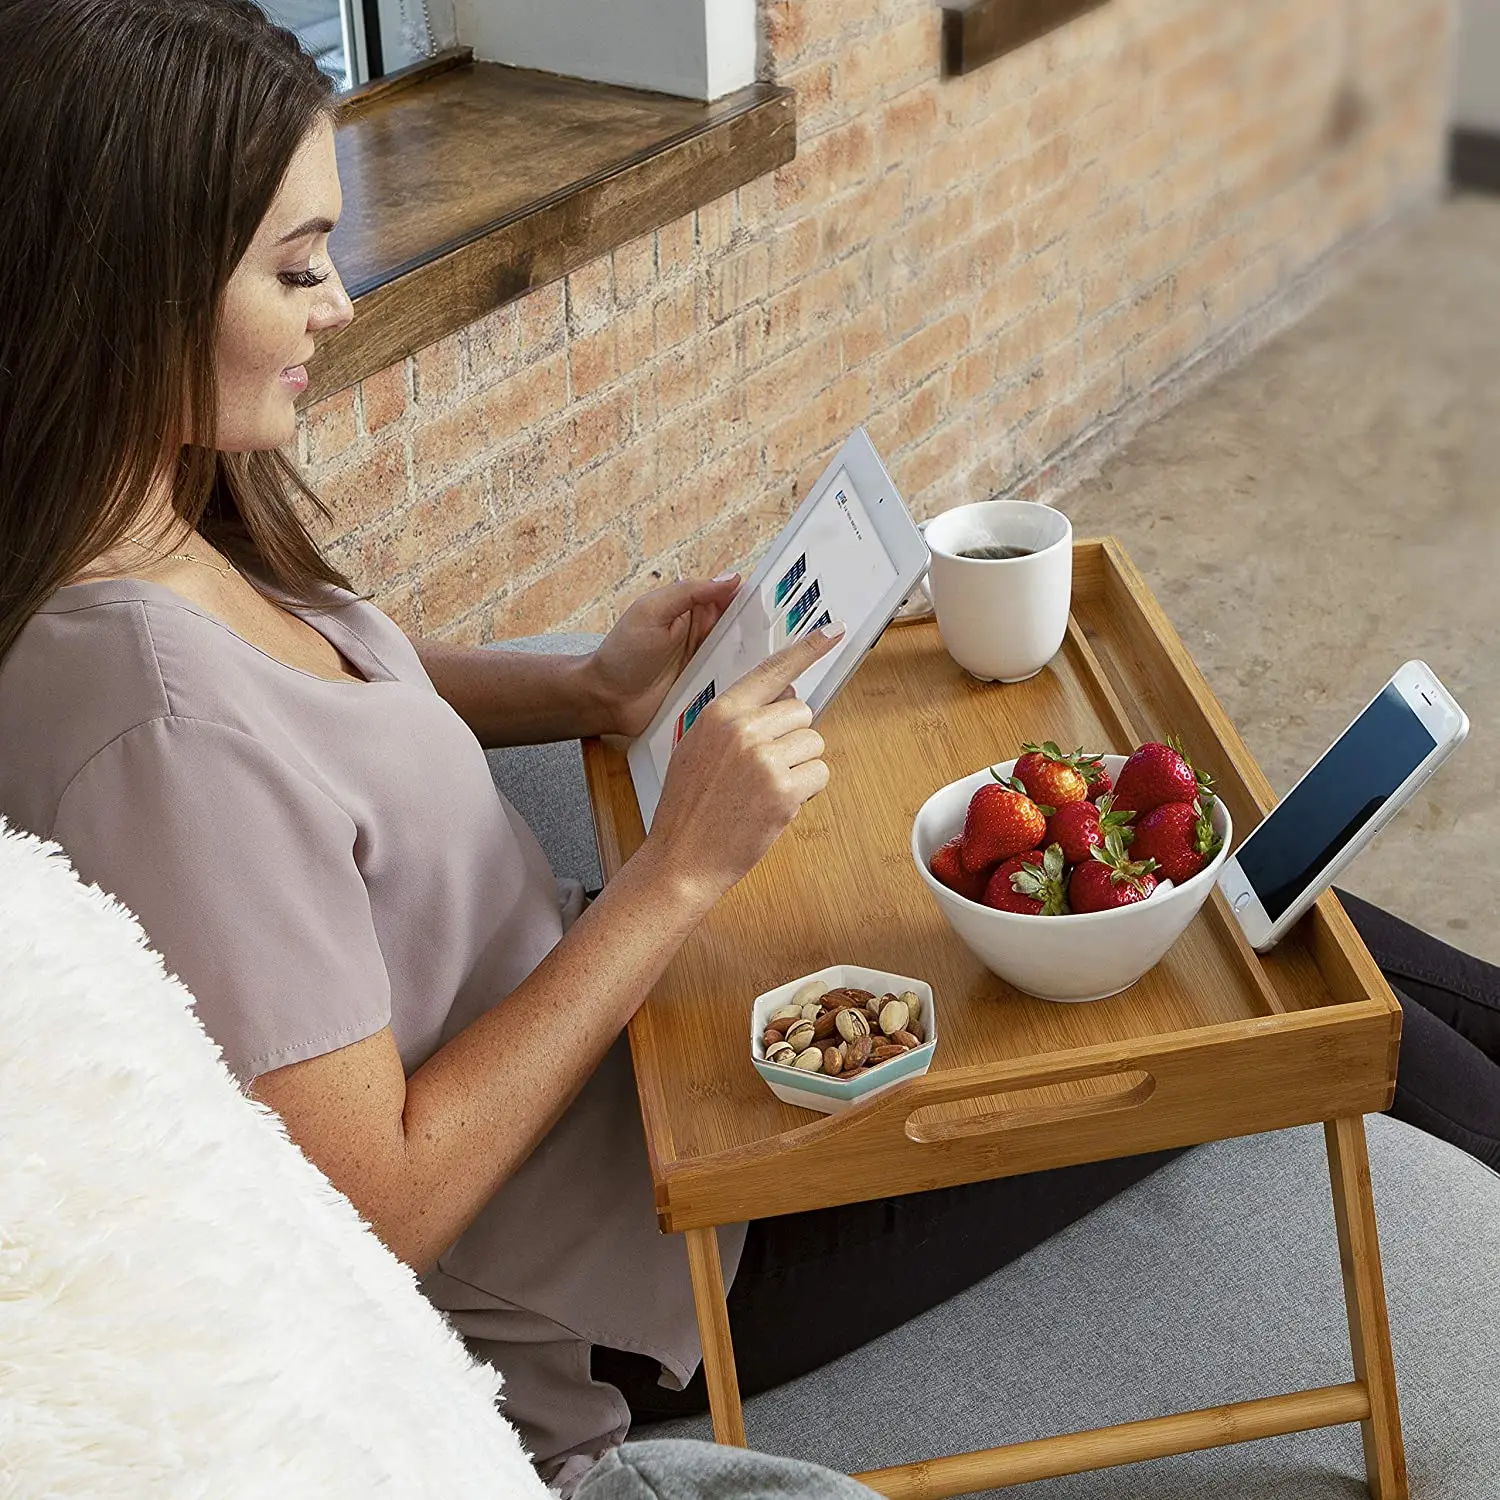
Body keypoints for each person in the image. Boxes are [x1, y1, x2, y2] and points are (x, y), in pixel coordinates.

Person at [0, 1, 1494, 1491]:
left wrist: (586, 691)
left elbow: (327, 703)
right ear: (126, 286)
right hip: (651, 1254)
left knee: (1287, 925)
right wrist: (673, 876)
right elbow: (368, 1211)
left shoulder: (159, 523)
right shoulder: (147, 726)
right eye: (295, 265)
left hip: (647, 1050)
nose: (338, 301)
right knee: (1264, 985)